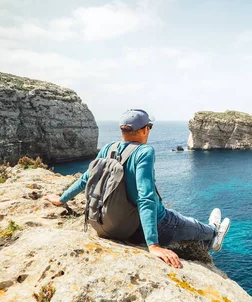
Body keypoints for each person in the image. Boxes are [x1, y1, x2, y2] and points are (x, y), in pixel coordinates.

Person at [44, 109, 231, 268]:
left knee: (178, 218)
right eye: (149, 127)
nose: (149, 130)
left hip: (104, 225)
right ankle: (214, 234)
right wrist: (153, 245)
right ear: (143, 130)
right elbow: (145, 197)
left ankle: (210, 236)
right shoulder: (144, 152)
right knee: (185, 222)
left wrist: (61, 199)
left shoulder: (108, 148)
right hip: (139, 230)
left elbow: (86, 179)